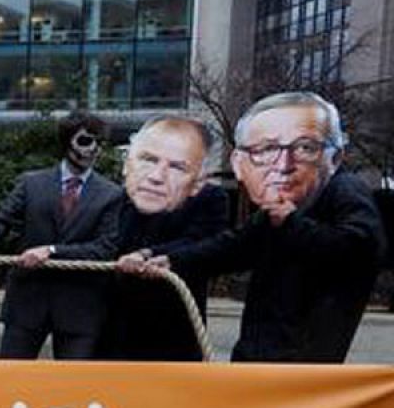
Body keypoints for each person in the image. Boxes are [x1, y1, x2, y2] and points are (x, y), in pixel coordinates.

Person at [144, 92, 385, 363]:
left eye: (305, 148)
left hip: (302, 366)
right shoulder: (284, 209)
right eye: (265, 150)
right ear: (239, 163)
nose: (283, 166)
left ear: (334, 158)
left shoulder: (344, 191)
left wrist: (291, 223)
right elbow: (232, 247)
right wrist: (166, 260)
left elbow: (362, 248)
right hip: (260, 356)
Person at [0, 110, 125, 359]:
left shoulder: (111, 194)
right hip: (28, 301)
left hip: (79, 307)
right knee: (10, 377)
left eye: (99, 143)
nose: (93, 149)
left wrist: (52, 251)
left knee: (74, 380)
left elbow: (105, 248)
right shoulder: (32, 183)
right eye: (85, 141)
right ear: (67, 142)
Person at [103, 116, 228, 361]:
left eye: (177, 167)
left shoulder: (211, 198)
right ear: (127, 165)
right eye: (148, 160)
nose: (157, 176)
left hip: (174, 331)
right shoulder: (110, 199)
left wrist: (147, 255)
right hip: (112, 332)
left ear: (198, 182)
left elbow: (204, 243)